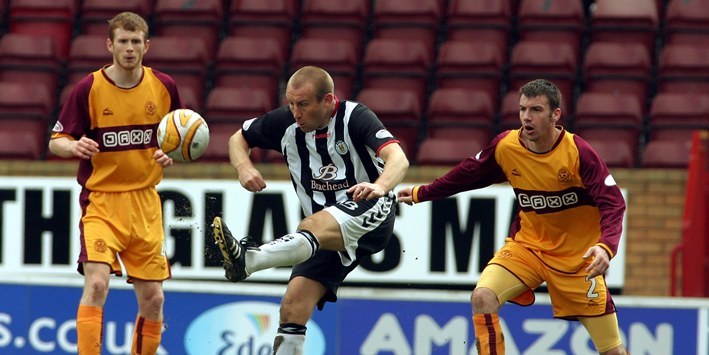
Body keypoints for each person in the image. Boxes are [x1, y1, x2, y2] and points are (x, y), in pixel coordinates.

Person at [397, 79, 628, 355]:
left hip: (578, 260)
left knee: (612, 351)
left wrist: (606, 247)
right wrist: (423, 192)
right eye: (522, 109)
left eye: (536, 110)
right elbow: (469, 173)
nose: (527, 117)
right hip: (527, 248)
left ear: (556, 114)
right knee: (483, 297)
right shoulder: (507, 146)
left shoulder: (579, 154)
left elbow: (614, 204)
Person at [211, 65, 409, 354]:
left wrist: (380, 186)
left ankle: (249, 261)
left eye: (303, 104)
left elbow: (398, 158)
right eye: (291, 103)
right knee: (292, 307)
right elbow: (238, 138)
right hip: (322, 233)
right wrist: (244, 167)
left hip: (370, 208)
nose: (295, 112)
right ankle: (249, 262)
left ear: (327, 100)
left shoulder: (356, 117)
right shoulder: (285, 122)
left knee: (311, 225)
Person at [48, 12, 182, 355]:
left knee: (154, 298)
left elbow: (178, 139)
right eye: (123, 41)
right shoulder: (89, 87)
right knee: (96, 283)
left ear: (146, 46)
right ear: (110, 45)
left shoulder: (164, 87)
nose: (129, 48)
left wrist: (172, 154)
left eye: (136, 41)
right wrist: (74, 145)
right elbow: (56, 140)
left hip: (145, 202)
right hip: (102, 202)